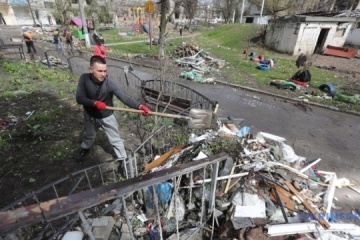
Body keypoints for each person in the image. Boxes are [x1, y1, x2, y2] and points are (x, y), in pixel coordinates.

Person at [75, 56, 150, 163]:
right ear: (91, 69)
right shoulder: (84, 79)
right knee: (89, 135)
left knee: (115, 140)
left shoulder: (109, 83)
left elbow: (124, 98)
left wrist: (140, 106)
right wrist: (94, 103)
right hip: (90, 115)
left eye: (105, 71)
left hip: (106, 117)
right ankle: (85, 148)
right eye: (99, 71)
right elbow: (79, 98)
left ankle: (123, 160)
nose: (103, 74)